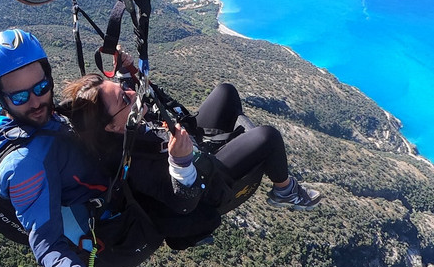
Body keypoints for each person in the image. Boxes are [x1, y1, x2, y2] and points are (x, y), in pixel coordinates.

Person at [0, 29, 128, 267]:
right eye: (19, 96)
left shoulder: (2, 120)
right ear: (1, 98)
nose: (37, 101)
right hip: (111, 231)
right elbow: (47, 244)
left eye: (41, 86)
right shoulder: (26, 165)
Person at [59, 73, 321, 236]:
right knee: (268, 137)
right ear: (112, 127)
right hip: (206, 185)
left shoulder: (124, 126)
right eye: (124, 99)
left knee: (226, 91)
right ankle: (286, 191)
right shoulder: (131, 163)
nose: (130, 94)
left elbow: (147, 97)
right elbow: (182, 204)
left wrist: (132, 72)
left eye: (121, 87)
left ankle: (226, 147)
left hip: (197, 148)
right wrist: (181, 162)